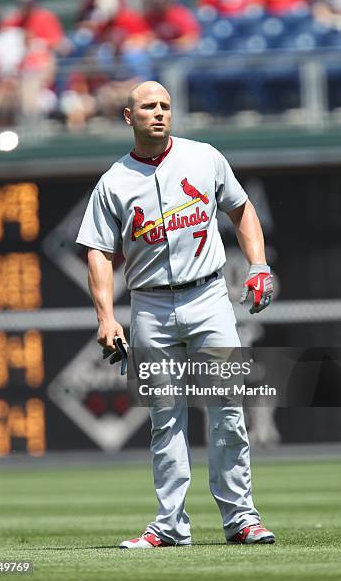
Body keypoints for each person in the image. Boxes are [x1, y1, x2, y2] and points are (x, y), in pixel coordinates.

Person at [76, 81, 275, 548]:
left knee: (227, 411)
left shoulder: (204, 157)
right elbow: (99, 253)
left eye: (166, 105)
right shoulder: (114, 181)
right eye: (148, 107)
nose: (160, 113)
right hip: (149, 304)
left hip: (208, 297)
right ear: (129, 117)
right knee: (165, 418)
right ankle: (170, 525)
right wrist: (106, 317)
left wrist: (259, 264)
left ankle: (241, 519)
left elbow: (241, 209)